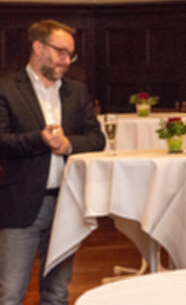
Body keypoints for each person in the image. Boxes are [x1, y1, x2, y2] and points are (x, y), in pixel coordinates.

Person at [0, 19, 105, 304]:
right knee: (10, 294)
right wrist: (40, 139)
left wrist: (69, 144)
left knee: (57, 294)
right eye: (60, 51)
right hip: (20, 205)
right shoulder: (7, 89)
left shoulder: (76, 91)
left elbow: (97, 139)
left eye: (70, 54)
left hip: (67, 203)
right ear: (37, 47)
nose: (66, 60)